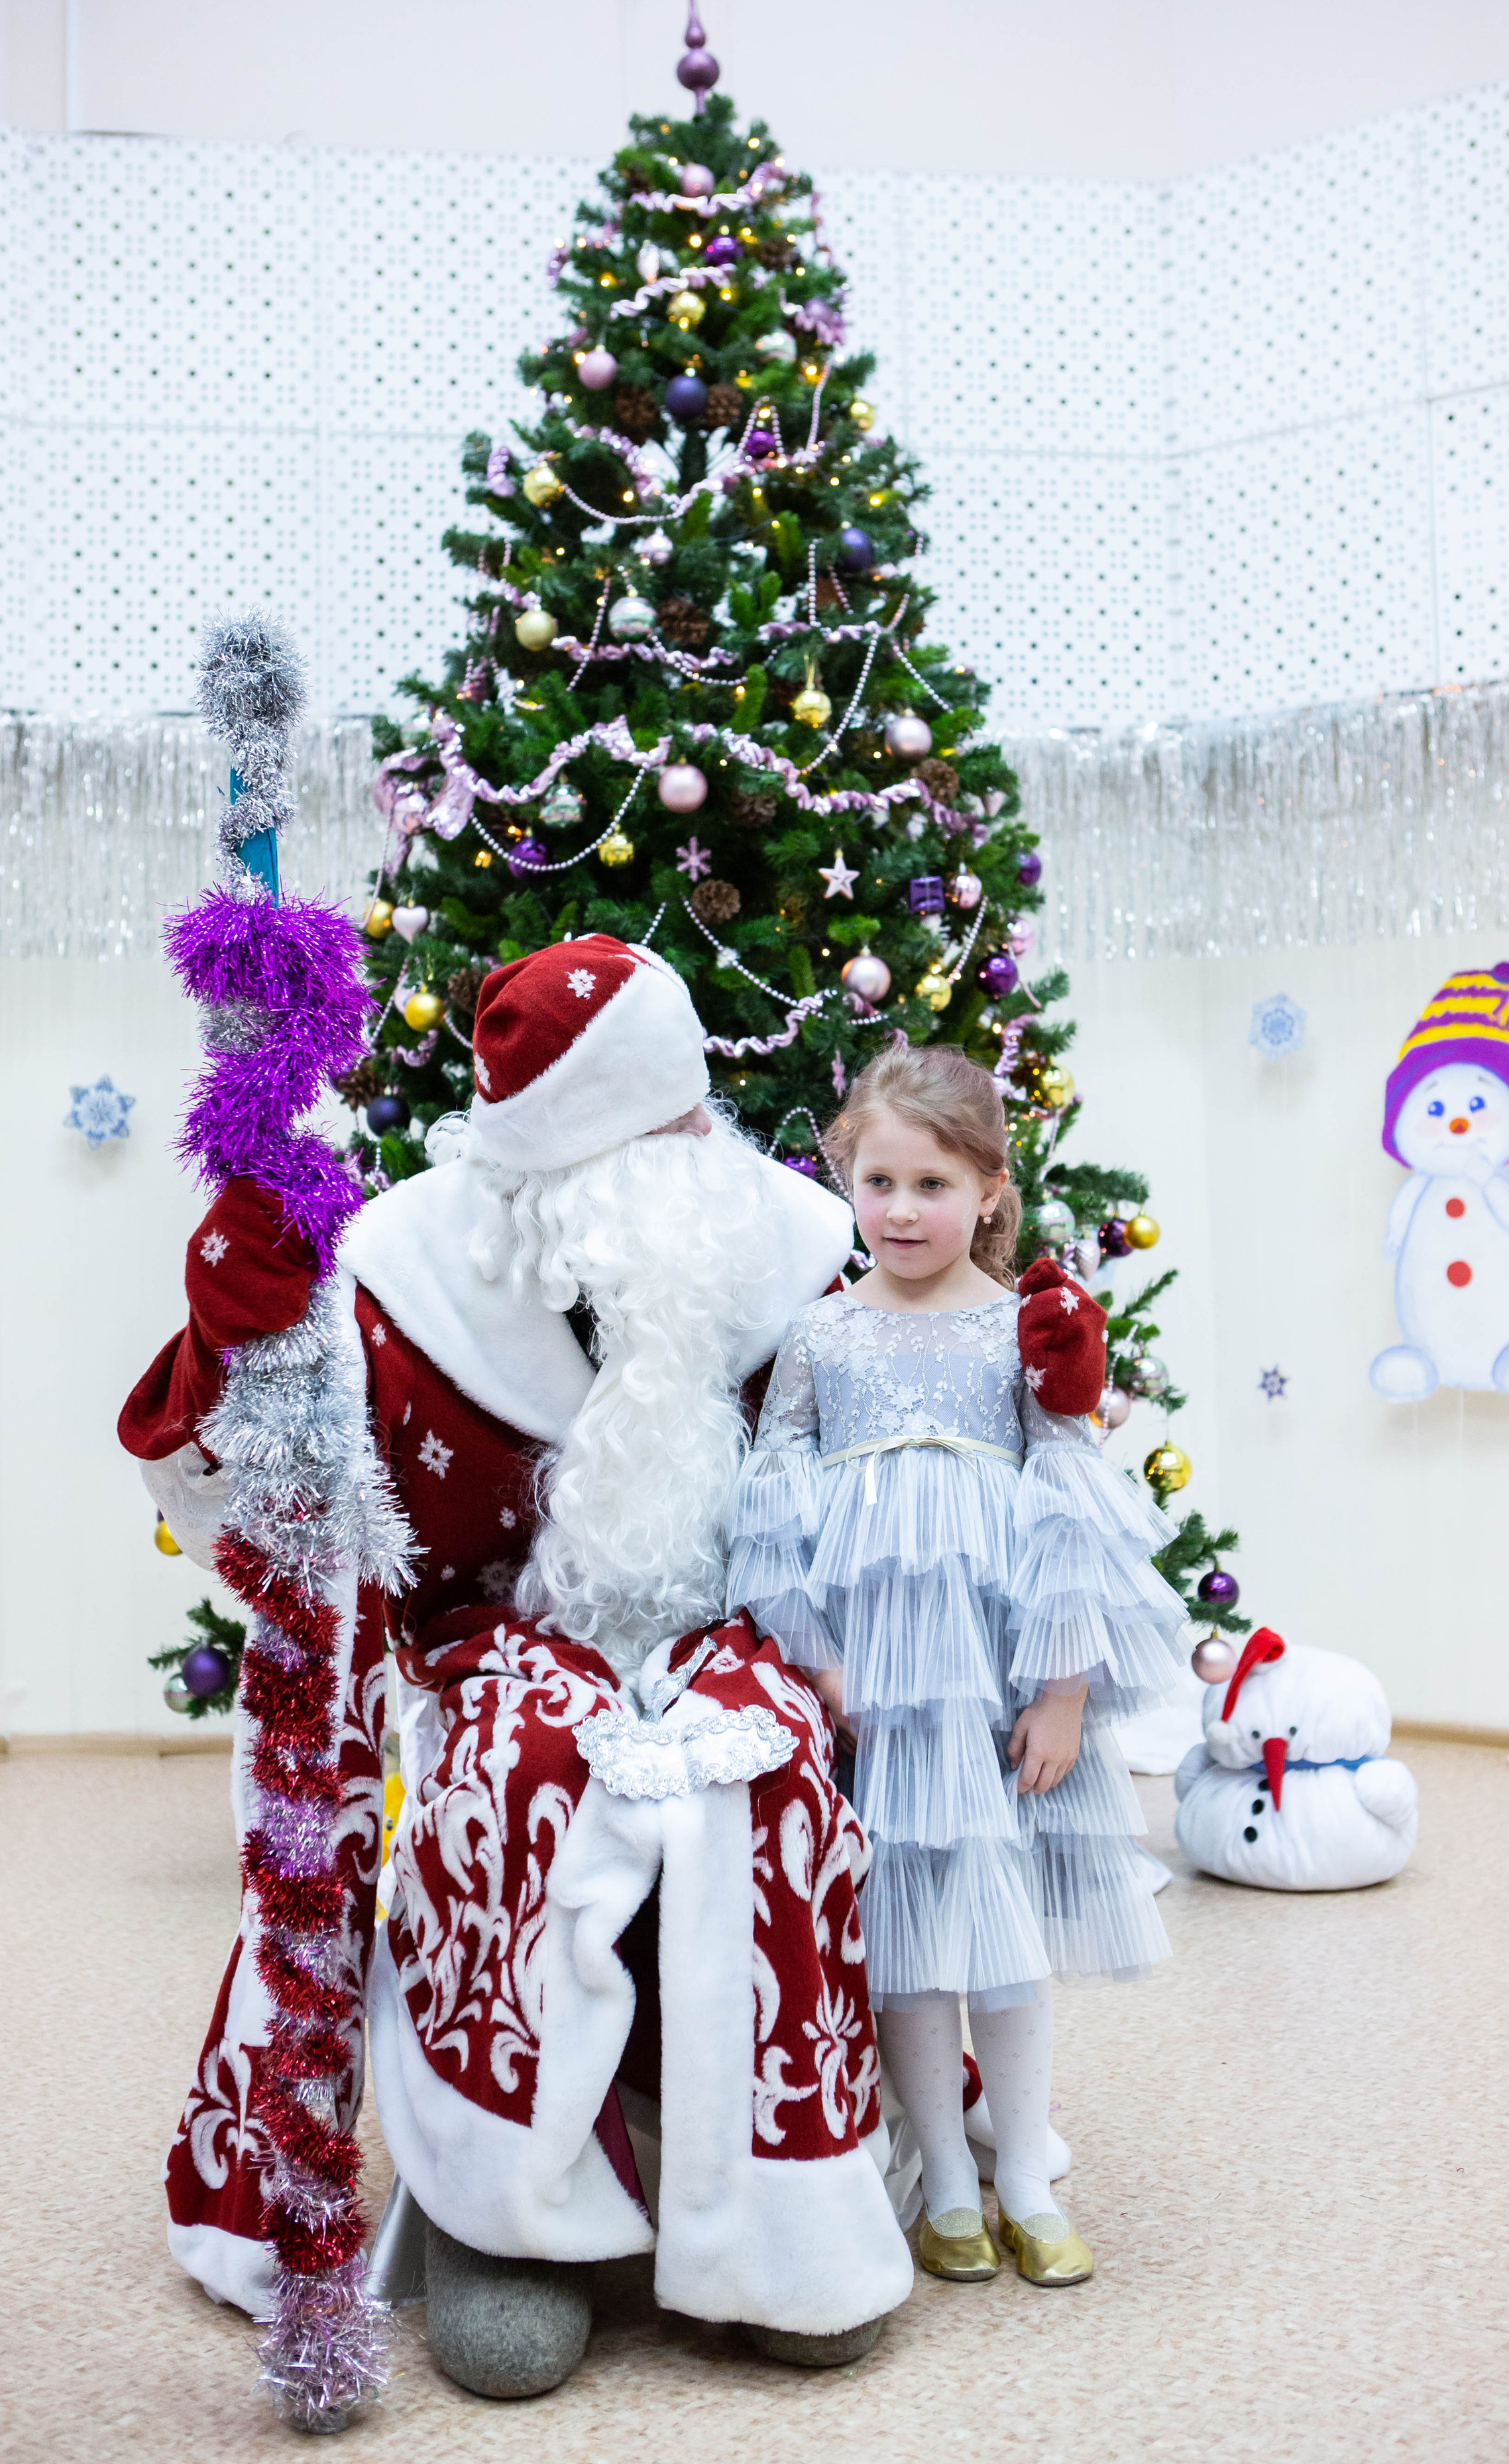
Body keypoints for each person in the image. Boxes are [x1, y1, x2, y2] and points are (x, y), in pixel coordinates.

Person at [119, 936, 914, 2402]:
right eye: (668, 1129)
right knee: (519, 1776)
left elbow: (912, 1430)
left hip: (730, 1635)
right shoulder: (401, 1271)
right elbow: (265, 1522)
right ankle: (511, 2223)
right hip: (492, 1647)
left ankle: (782, 2212)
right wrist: (239, 1357)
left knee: (776, 1770)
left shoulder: (792, 1238)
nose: (704, 1147)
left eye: (699, 1118)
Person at [725, 1043, 1185, 2287]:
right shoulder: (823, 1337)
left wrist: (1065, 1691)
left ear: (987, 1190)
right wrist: (817, 1669)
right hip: (882, 1692)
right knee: (915, 1939)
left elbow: (1076, 1506)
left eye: (931, 1184)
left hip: (1003, 1676)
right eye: (878, 1182)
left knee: (1007, 1938)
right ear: (847, 1185)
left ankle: (1023, 2168)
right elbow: (772, 1507)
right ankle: (940, 2173)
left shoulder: (1022, 1333)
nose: (901, 1211)